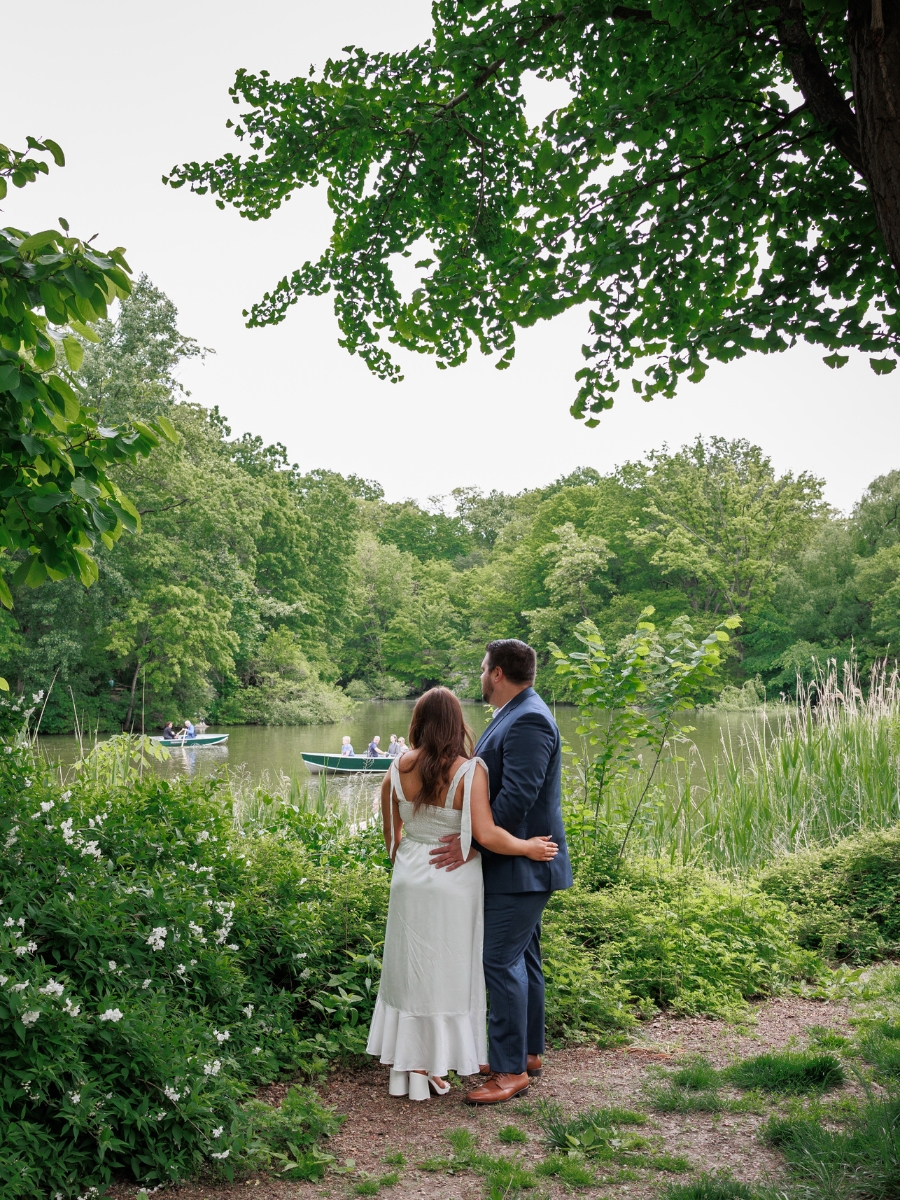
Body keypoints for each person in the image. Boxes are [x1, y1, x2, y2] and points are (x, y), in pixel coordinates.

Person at [366, 687, 558, 1102]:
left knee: (408, 972)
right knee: (448, 973)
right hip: (453, 883)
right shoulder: (471, 771)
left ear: (416, 722)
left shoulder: (395, 767)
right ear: (458, 725)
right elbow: (486, 835)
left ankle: (410, 1067)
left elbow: (391, 840)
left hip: (409, 880)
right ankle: (435, 1063)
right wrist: (529, 848)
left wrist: (411, 859)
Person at [429, 639, 573, 1105]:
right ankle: (527, 1053)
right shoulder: (517, 712)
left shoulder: (529, 717)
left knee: (499, 960)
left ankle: (510, 1071)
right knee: (524, 960)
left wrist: (472, 842)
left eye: (482, 668)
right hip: (519, 865)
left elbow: (518, 798)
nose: (479, 676)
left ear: (496, 673)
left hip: (523, 867)